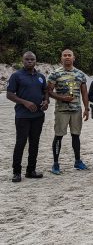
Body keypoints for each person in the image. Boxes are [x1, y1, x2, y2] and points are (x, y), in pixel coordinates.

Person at [7, 52, 49, 182]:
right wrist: (25, 102)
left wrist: (46, 101)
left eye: (32, 59)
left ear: (36, 61)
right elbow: (9, 94)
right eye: (27, 59)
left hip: (38, 115)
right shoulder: (16, 76)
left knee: (34, 143)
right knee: (21, 143)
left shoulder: (41, 77)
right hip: (22, 116)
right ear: (22, 60)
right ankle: (16, 172)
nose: (30, 61)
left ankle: (31, 170)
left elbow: (45, 91)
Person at [47, 49, 89, 174]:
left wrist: (86, 108)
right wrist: (61, 98)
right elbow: (48, 91)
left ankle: (78, 161)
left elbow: (84, 92)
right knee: (58, 136)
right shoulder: (55, 74)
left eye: (69, 55)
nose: (67, 57)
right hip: (61, 110)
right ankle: (55, 164)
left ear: (73, 58)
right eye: (64, 55)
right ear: (61, 58)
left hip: (76, 110)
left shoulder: (80, 74)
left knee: (76, 135)